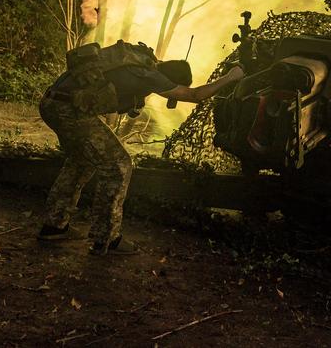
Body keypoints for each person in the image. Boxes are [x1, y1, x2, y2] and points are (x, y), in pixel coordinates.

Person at [36, 39, 244, 255]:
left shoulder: (141, 62)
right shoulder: (150, 76)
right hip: (69, 111)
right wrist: (231, 77)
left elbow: (107, 88)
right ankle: (107, 239)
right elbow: (195, 95)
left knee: (82, 161)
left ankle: (54, 226)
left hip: (52, 103)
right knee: (119, 166)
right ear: (169, 79)